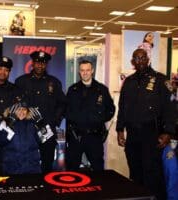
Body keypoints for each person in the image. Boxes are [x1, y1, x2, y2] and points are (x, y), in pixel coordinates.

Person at [116, 48, 176, 200]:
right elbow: (122, 107)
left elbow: (171, 108)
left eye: (143, 58)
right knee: (135, 171)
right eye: (137, 58)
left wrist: (168, 132)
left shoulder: (161, 80)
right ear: (133, 62)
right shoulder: (128, 82)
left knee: (152, 172)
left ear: (148, 59)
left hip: (152, 133)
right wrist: (120, 130)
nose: (140, 61)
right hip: (133, 134)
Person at [15, 50, 66, 173]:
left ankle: (46, 188)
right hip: (27, 129)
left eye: (43, 63)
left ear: (46, 64)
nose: (40, 65)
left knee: (47, 161)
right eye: (37, 62)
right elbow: (14, 104)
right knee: (26, 160)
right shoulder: (21, 81)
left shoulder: (54, 82)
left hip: (46, 128)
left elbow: (63, 104)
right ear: (32, 63)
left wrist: (55, 121)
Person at [65, 60, 115, 171]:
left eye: (87, 70)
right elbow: (66, 110)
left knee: (98, 169)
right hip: (76, 137)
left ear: (92, 71)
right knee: (71, 171)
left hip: (94, 137)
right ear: (79, 72)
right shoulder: (73, 90)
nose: (85, 73)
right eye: (82, 70)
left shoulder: (102, 89)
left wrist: (100, 119)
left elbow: (111, 109)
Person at [0, 102, 41, 175]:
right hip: (12, 167)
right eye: (18, 109)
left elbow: (43, 140)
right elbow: (0, 140)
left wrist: (40, 123)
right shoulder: (5, 123)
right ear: (12, 111)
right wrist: (10, 122)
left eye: (24, 109)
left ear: (28, 111)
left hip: (31, 167)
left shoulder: (32, 124)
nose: (21, 112)